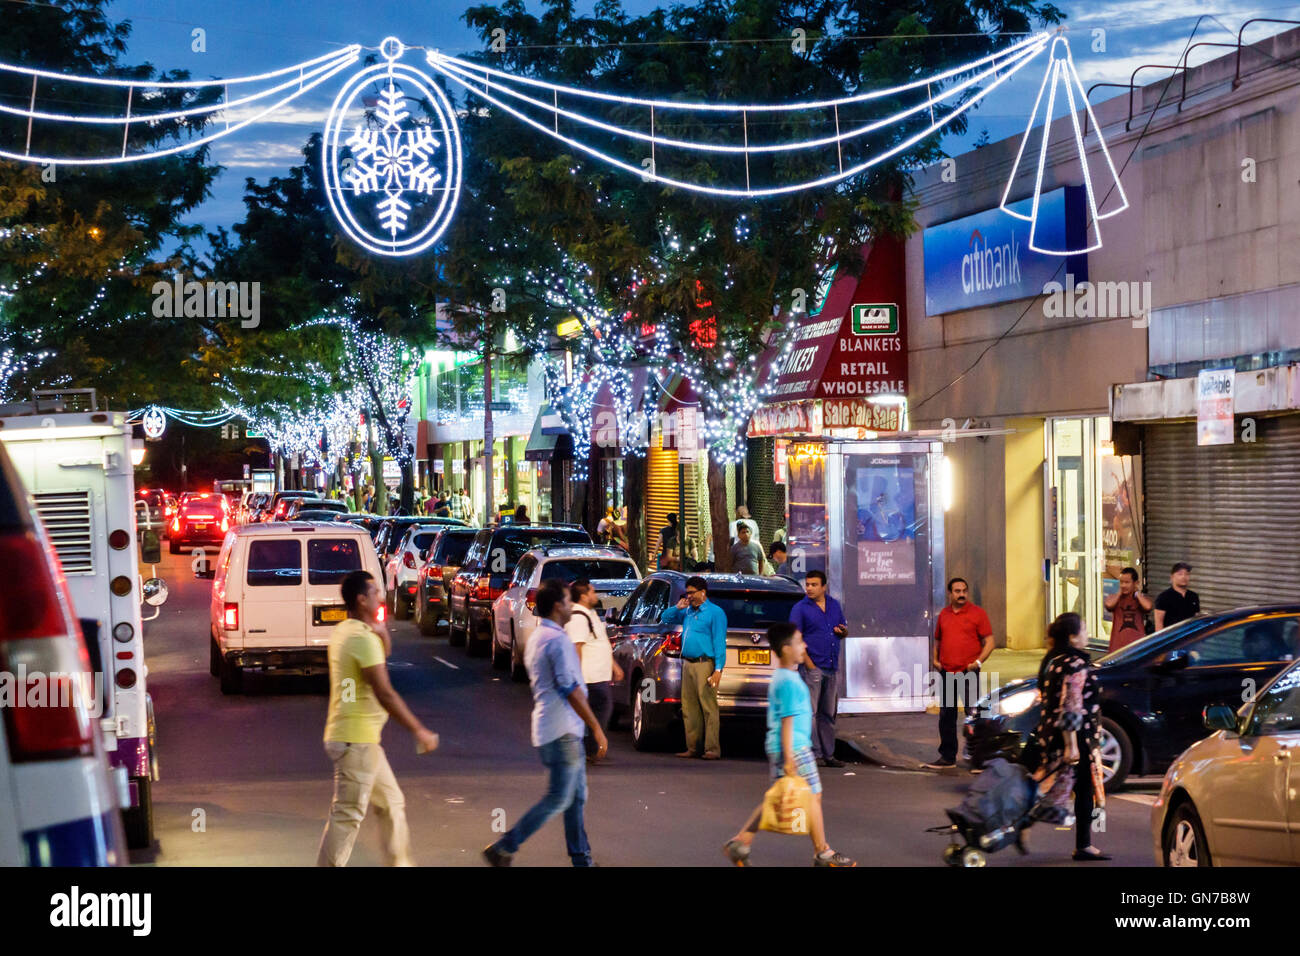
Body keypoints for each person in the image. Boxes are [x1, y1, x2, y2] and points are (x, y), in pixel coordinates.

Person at [317, 571, 439, 867]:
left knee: (391, 803)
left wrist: (382, 635)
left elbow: (375, 659)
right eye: (374, 593)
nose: (380, 597)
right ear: (362, 600)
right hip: (356, 741)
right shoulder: (362, 639)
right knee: (347, 816)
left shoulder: (347, 631)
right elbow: (385, 692)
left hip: (360, 739)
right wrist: (419, 730)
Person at [484, 579, 608, 867]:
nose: (571, 605)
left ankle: (582, 859)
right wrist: (596, 727)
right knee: (559, 798)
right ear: (556, 606)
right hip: (562, 729)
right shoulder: (557, 641)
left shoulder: (539, 636)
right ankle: (505, 846)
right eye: (566, 600)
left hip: (554, 727)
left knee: (575, 798)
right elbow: (569, 688)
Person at [722, 622, 856, 867]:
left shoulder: (783, 677)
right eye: (799, 642)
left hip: (784, 747)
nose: (804, 646)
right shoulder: (789, 683)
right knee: (813, 795)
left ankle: (740, 843)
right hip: (794, 747)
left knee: (776, 798)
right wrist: (790, 758)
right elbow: (787, 721)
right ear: (786, 649)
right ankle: (822, 851)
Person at [1029, 612, 1109, 861]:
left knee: (1059, 787)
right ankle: (1083, 845)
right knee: (1081, 789)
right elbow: (1071, 705)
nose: (1087, 634)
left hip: (1056, 733)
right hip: (1076, 736)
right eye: (1084, 630)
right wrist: (1071, 745)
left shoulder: (1054, 660)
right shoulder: (1074, 663)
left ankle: (1083, 843)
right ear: (1073, 637)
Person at [924, 577, 994, 770]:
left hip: (968, 672)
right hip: (947, 672)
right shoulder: (944, 615)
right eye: (957, 591)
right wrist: (935, 660)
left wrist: (977, 662)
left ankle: (978, 759)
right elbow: (938, 641)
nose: (962, 594)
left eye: (964, 591)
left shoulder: (978, 613)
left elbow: (990, 642)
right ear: (950, 593)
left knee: (974, 715)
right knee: (947, 717)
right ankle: (947, 757)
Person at [660, 576, 727, 759]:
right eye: (687, 593)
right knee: (689, 708)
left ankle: (712, 748)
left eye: (691, 592)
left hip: (704, 663)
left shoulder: (715, 613)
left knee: (708, 707)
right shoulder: (688, 611)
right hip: (688, 663)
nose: (688, 596)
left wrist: (718, 669)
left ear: (703, 592)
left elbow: (719, 642)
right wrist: (678, 607)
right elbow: (665, 617)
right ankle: (693, 747)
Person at [789, 571, 849, 768]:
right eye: (807, 584)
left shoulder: (833, 605)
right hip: (812, 667)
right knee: (810, 713)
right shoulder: (800, 608)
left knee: (828, 713)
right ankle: (814, 754)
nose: (809, 588)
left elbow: (843, 628)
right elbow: (795, 638)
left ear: (824, 587)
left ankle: (829, 754)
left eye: (814, 585)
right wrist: (809, 664)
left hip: (831, 666)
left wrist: (842, 632)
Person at [565, 579, 624, 762]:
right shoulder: (578, 617)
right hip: (588, 677)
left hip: (597, 676)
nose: (595, 594)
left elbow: (600, 642)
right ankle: (589, 749)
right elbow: (576, 647)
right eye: (591, 591)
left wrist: (614, 666)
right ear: (583, 596)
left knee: (597, 711)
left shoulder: (589, 613)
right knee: (597, 711)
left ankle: (589, 749)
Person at [1104, 567, 1152, 652]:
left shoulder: (1140, 599)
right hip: (1117, 648)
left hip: (1137, 647)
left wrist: (1137, 594)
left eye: (1127, 582)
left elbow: (1148, 607)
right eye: (1121, 582)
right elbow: (1109, 605)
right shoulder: (1115, 598)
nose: (1123, 585)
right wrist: (1119, 593)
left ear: (1136, 583)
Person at [1154, 562, 1200, 630]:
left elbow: (1196, 619)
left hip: (1190, 634)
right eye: (1180, 574)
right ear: (1172, 577)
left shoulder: (1193, 596)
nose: (1184, 577)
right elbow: (1159, 623)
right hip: (1172, 635)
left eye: (1187, 574)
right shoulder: (1163, 597)